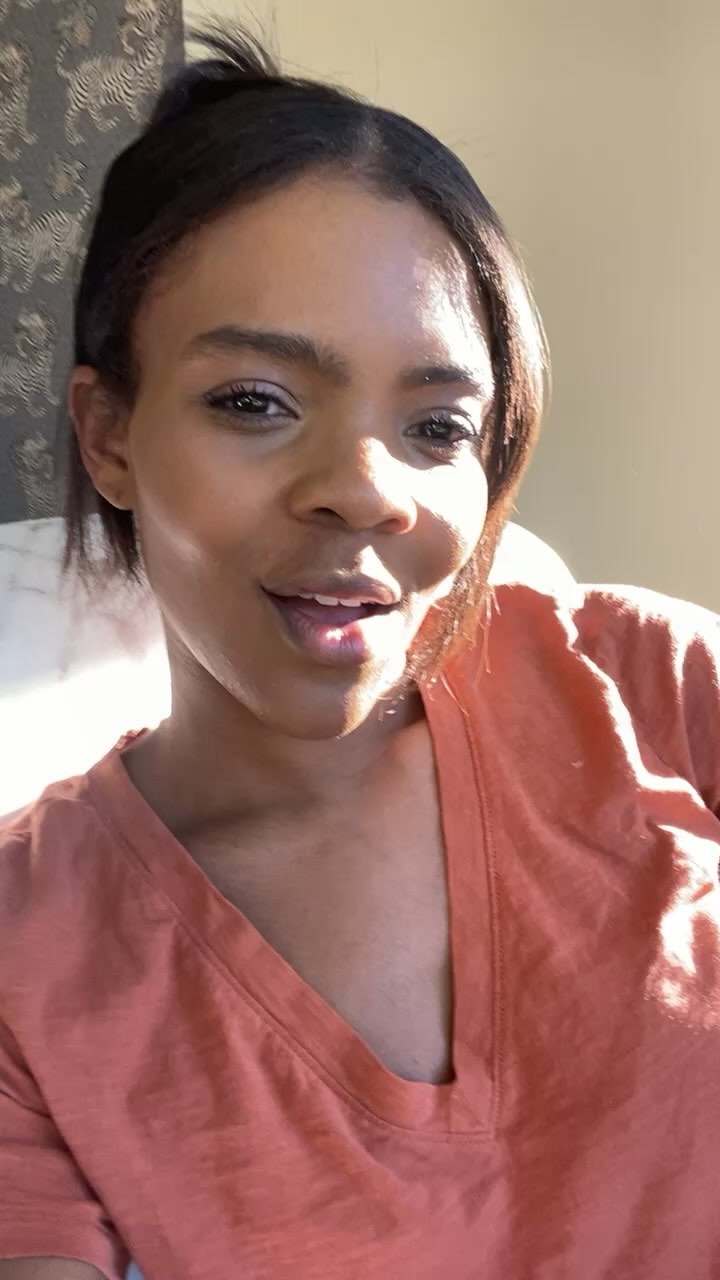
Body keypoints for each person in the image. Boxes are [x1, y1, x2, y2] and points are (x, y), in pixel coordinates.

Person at [1, 24, 719, 1280]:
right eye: (256, 401)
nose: (368, 490)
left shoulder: (656, 685)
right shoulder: (30, 946)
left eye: (439, 427)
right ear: (108, 434)